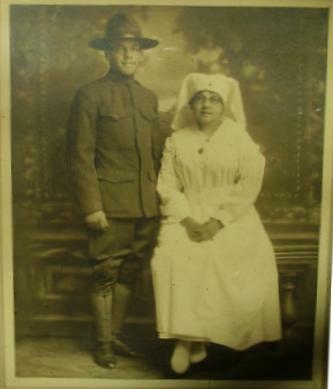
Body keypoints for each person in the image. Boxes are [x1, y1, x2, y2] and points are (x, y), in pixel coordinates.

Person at [151, 72, 282, 374]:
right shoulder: (177, 140)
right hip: (186, 213)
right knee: (170, 255)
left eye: (214, 99)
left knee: (224, 257)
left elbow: (249, 183)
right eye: (200, 99)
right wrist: (186, 219)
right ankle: (189, 340)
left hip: (232, 214)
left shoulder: (239, 138)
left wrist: (219, 220)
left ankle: (195, 341)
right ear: (191, 105)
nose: (206, 105)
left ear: (224, 106)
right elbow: (167, 185)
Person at [68, 13, 165, 369]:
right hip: (108, 206)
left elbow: (156, 154)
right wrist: (92, 206)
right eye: (119, 49)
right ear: (107, 54)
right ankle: (103, 344)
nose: (127, 56)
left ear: (142, 55)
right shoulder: (90, 95)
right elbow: (79, 156)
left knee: (130, 273)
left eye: (134, 49)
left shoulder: (149, 98)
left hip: (146, 206)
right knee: (105, 273)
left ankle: (116, 335)